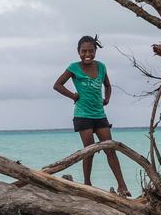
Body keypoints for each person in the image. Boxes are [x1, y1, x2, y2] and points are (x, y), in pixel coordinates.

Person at [53, 35, 131, 197]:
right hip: (83, 115)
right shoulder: (74, 67)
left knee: (110, 148)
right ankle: (87, 184)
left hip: (99, 115)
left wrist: (107, 99)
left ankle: (122, 186)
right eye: (83, 51)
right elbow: (57, 85)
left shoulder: (101, 67)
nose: (87, 54)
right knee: (89, 151)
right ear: (78, 52)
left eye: (91, 50)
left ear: (95, 51)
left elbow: (108, 86)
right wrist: (73, 96)